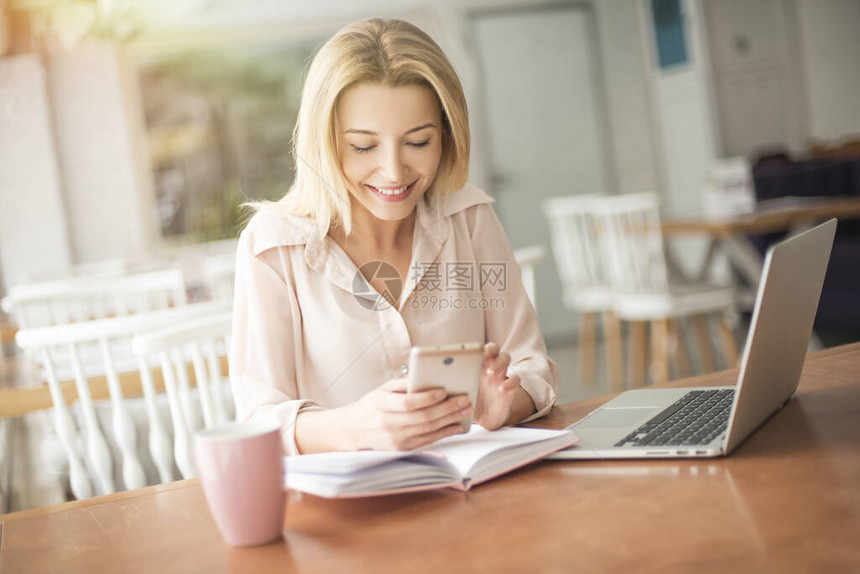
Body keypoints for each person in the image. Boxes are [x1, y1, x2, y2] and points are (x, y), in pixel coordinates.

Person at [230, 18, 559, 455]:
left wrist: (503, 406)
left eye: (418, 142)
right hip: (348, 513)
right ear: (324, 143)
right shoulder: (273, 248)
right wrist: (353, 428)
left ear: (446, 134)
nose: (394, 171)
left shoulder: (469, 218)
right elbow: (258, 420)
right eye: (364, 147)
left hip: (476, 495)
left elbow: (532, 367)